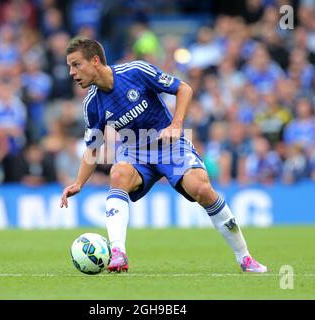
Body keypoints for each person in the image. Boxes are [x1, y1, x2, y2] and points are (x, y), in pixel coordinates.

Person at [60, 37, 267, 273]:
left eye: (76, 64)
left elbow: (183, 89)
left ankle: (245, 258)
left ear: (95, 61)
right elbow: (93, 147)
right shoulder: (92, 104)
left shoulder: (136, 71)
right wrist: (78, 182)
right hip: (135, 153)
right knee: (118, 174)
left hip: (169, 146)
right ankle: (118, 252)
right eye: (69, 66)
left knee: (202, 190)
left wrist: (177, 124)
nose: (71, 72)